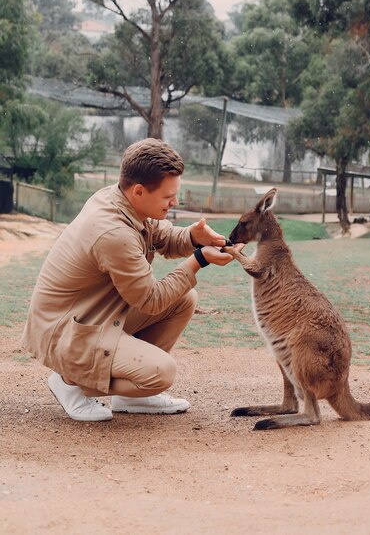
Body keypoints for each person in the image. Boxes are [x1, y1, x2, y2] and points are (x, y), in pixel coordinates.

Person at [22, 138, 238, 422]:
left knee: (183, 298)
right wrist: (198, 260)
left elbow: (162, 235)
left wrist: (193, 238)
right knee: (161, 372)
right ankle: (70, 383)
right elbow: (150, 300)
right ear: (139, 191)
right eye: (168, 197)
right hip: (66, 331)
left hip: (91, 315)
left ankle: (133, 396)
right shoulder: (113, 232)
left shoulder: (123, 200)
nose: (174, 202)